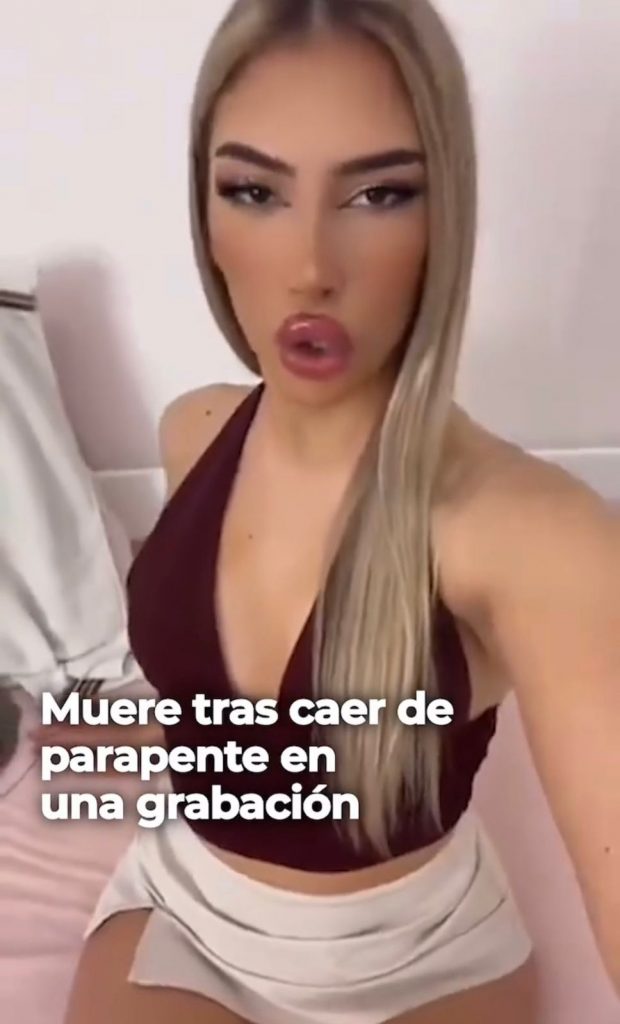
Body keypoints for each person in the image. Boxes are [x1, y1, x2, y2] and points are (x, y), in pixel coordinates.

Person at [63, 1, 620, 1021]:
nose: (310, 267)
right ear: (206, 214)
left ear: (443, 214)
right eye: (254, 191)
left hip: (426, 952)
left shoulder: (535, 537)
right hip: (191, 913)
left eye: (377, 193)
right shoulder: (193, 431)